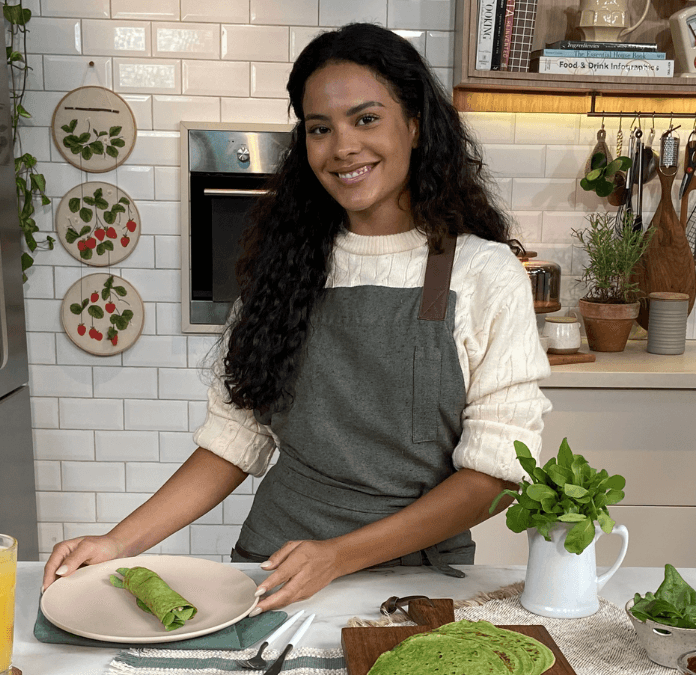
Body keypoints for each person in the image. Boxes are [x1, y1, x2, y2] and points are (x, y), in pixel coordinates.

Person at [42, 22, 552, 615]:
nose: (342, 147)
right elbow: (234, 439)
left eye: (366, 119)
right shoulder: (286, 269)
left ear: (414, 125)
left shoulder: (480, 274)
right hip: (274, 569)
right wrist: (117, 543)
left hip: (420, 584)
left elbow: (494, 479)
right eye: (319, 128)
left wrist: (338, 555)